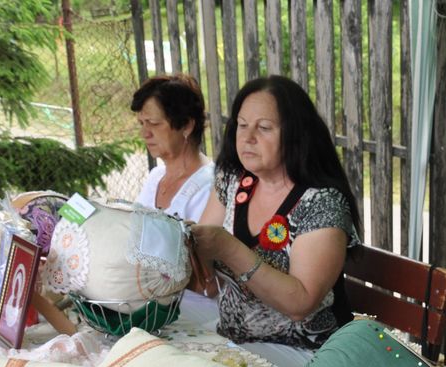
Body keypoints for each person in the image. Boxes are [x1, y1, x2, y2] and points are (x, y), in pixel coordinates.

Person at [188, 75, 361, 349]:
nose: (248, 138)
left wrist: (227, 247)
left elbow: (300, 304)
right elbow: (203, 272)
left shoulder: (322, 203)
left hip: (307, 352)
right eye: (242, 125)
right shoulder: (232, 181)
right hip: (235, 341)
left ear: (296, 134)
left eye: (264, 127)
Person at [130, 74, 214, 221]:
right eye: (141, 123)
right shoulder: (155, 178)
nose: (144, 133)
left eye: (154, 123)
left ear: (186, 125)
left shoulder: (210, 188)